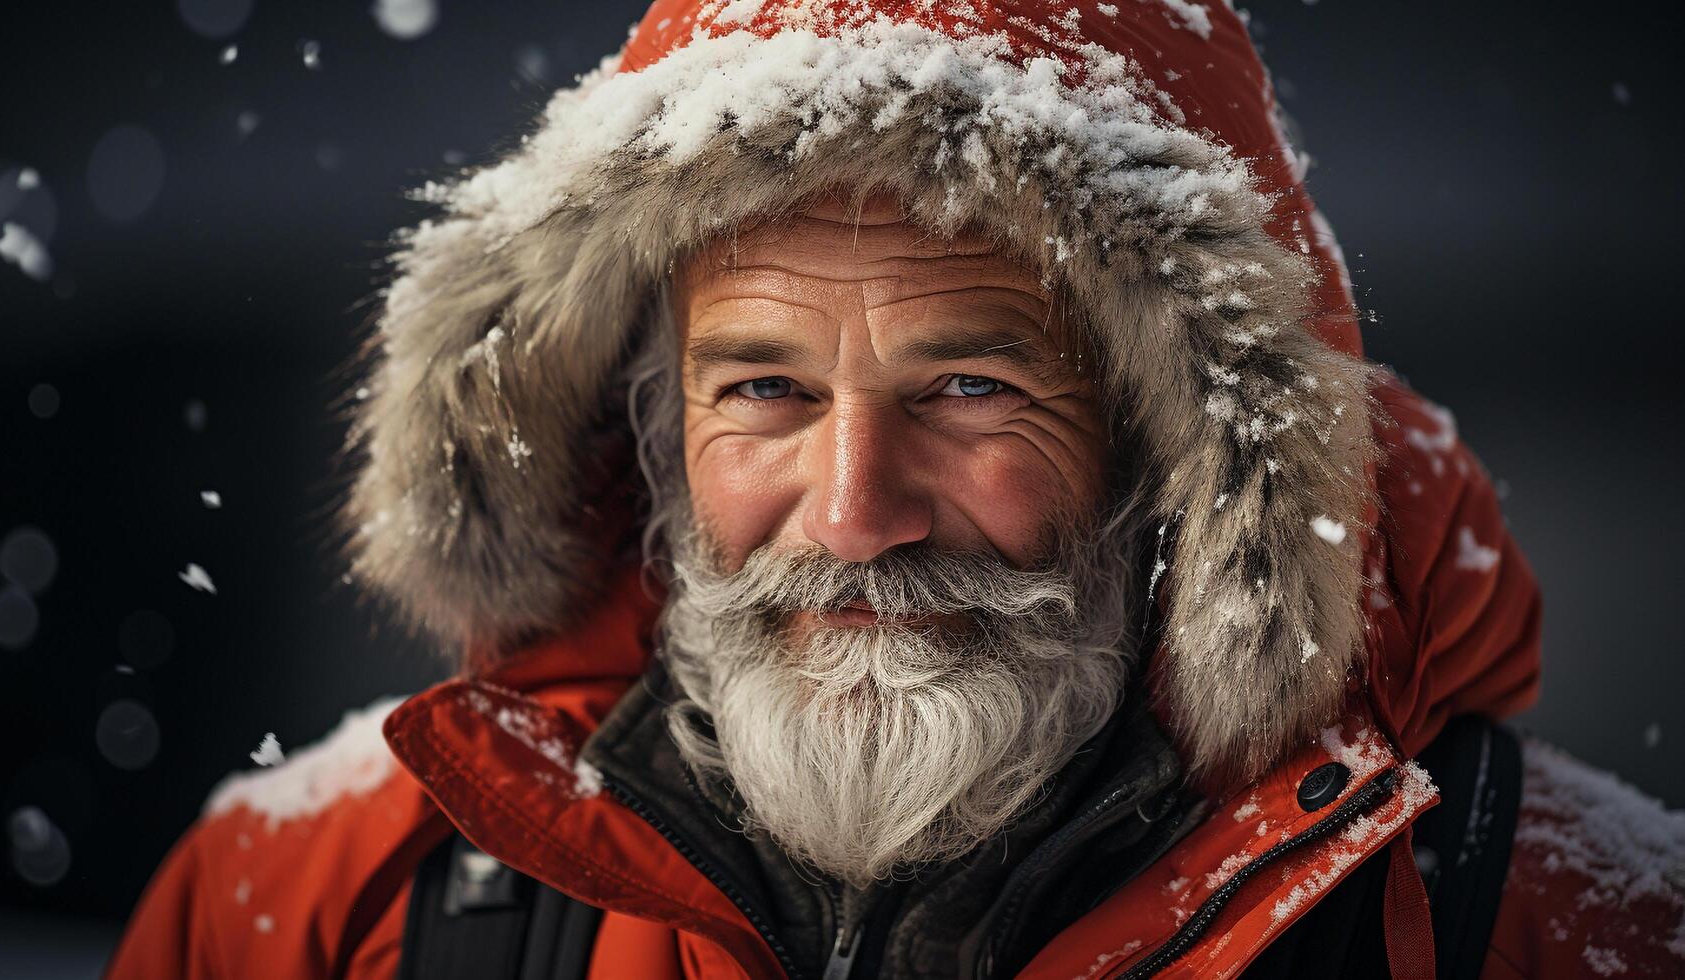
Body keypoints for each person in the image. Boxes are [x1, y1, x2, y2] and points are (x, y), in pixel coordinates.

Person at [108, 1, 1685, 977]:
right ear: (646, 433)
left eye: (970, 389)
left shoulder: (1557, 928)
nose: (855, 510)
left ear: (1175, 453)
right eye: (767, 392)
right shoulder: (303, 902)